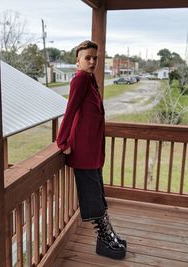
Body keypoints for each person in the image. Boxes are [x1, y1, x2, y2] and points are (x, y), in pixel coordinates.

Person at [56, 40, 127, 260]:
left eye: (95, 58)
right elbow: (70, 111)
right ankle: (105, 240)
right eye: (87, 57)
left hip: (93, 150)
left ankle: (107, 235)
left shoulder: (90, 79)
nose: (92, 61)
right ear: (77, 61)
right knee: (93, 195)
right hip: (83, 152)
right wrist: (62, 141)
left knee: (98, 192)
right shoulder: (79, 80)